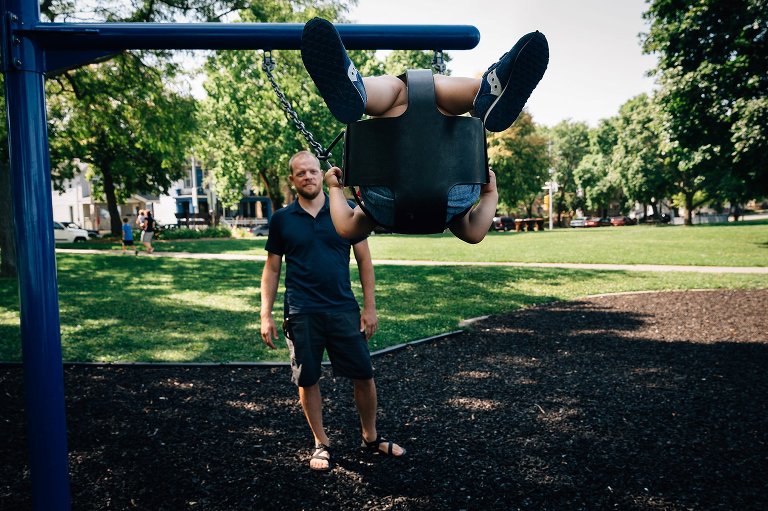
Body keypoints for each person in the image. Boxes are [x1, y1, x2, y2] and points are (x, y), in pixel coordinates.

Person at [301, 17, 549, 243]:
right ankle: (483, 93)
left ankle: (359, 90)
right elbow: (475, 234)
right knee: (433, 87)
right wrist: (490, 194)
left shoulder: (375, 212)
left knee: (400, 89)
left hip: (396, 194)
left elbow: (345, 228)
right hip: (448, 191)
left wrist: (335, 189)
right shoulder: (447, 214)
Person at [260, 150, 404, 472]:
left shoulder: (346, 211)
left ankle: (370, 437)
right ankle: (320, 443)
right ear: (292, 179)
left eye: (313, 171)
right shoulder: (282, 219)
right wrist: (265, 314)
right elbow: (272, 268)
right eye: (301, 173)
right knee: (308, 379)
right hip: (301, 312)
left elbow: (364, 261)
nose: (308, 177)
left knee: (364, 375)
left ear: (320, 174)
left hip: (343, 308)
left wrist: (370, 307)